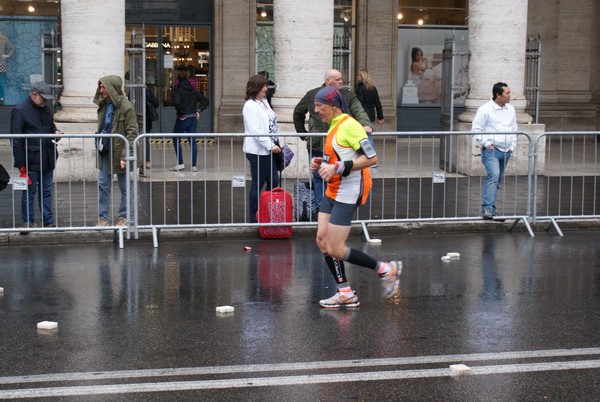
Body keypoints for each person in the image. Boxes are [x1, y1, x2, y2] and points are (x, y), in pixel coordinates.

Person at [309, 86, 401, 308]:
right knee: (322, 240)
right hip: (333, 190)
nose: (316, 110)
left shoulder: (350, 126)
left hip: (348, 191)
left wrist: (339, 167)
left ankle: (386, 270)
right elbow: (341, 155)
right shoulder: (333, 125)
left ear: (333, 106)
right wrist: (322, 163)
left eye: (319, 106)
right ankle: (345, 292)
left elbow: (372, 158)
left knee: (336, 247)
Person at [293, 69, 373, 210]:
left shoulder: (347, 95)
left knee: (336, 177)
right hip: (317, 145)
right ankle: (322, 208)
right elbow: (298, 112)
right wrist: (302, 133)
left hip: (338, 148)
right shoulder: (312, 94)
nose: (341, 81)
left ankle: (334, 209)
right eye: (337, 79)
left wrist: (365, 124)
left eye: (341, 78)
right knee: (319, 178)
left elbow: (358, 110)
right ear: (327, 81)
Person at [11, 81, 61, 229]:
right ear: (34, 95)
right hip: (30, 158)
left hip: (47, 156)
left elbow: (51, 127)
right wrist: (21, 164)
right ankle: (28, 222)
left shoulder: (45, 108)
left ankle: (48, 221)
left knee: (46, 191)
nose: (45, 101)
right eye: (43, 98)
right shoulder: (20, 110)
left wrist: (56, 133)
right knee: (29, 192)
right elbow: (16, 139)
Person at [93, 75, 139, 227]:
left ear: (111, 88)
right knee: (103, 184)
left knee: (124, 186)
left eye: (103, 87)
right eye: (100, 87)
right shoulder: (104, 104)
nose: (100, 90)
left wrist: (125, 156)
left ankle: (123, 217)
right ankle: (102, 218)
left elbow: (132, 134)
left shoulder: (127, 107)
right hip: (106, 150)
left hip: (120, 152)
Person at [472, 82, 517, 221]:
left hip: (506, 150)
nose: (510, 95)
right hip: (492, 150)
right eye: (507, 93)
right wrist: (486, 143)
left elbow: (514, 128)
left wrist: (512, 146)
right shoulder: (485, 109)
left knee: (497, 180)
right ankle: (487, 208)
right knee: (494, 176)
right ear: (498, 95)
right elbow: (476, 128)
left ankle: (492, 209)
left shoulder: (511, 109)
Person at [243, 74, 281, 223]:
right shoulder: (250, 105)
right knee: (257, 183)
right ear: (256, 88)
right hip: (258, 150)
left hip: (268, 148)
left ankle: (268, 212)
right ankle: (254, 217)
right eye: (264, 86)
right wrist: (270, 145)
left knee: (273, 181)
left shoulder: (263, 102)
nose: (267, 88)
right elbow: (255, 130)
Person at [170, 71, 209, 172]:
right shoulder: (193, 90)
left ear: (178, 79)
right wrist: (199, 110)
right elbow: (205, 101)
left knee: (176, 139)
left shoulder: (178, 91)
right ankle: (193, 166)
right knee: (192, 140)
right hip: (193, 118)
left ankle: (180, 163)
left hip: (183, 119)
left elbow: (177, 103)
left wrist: (181, 114)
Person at [0, 30, 15, 104]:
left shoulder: (4, 38)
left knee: (1, 81)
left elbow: (12, 48)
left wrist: (7, 55)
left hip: (1, 63)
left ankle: (1, 98)